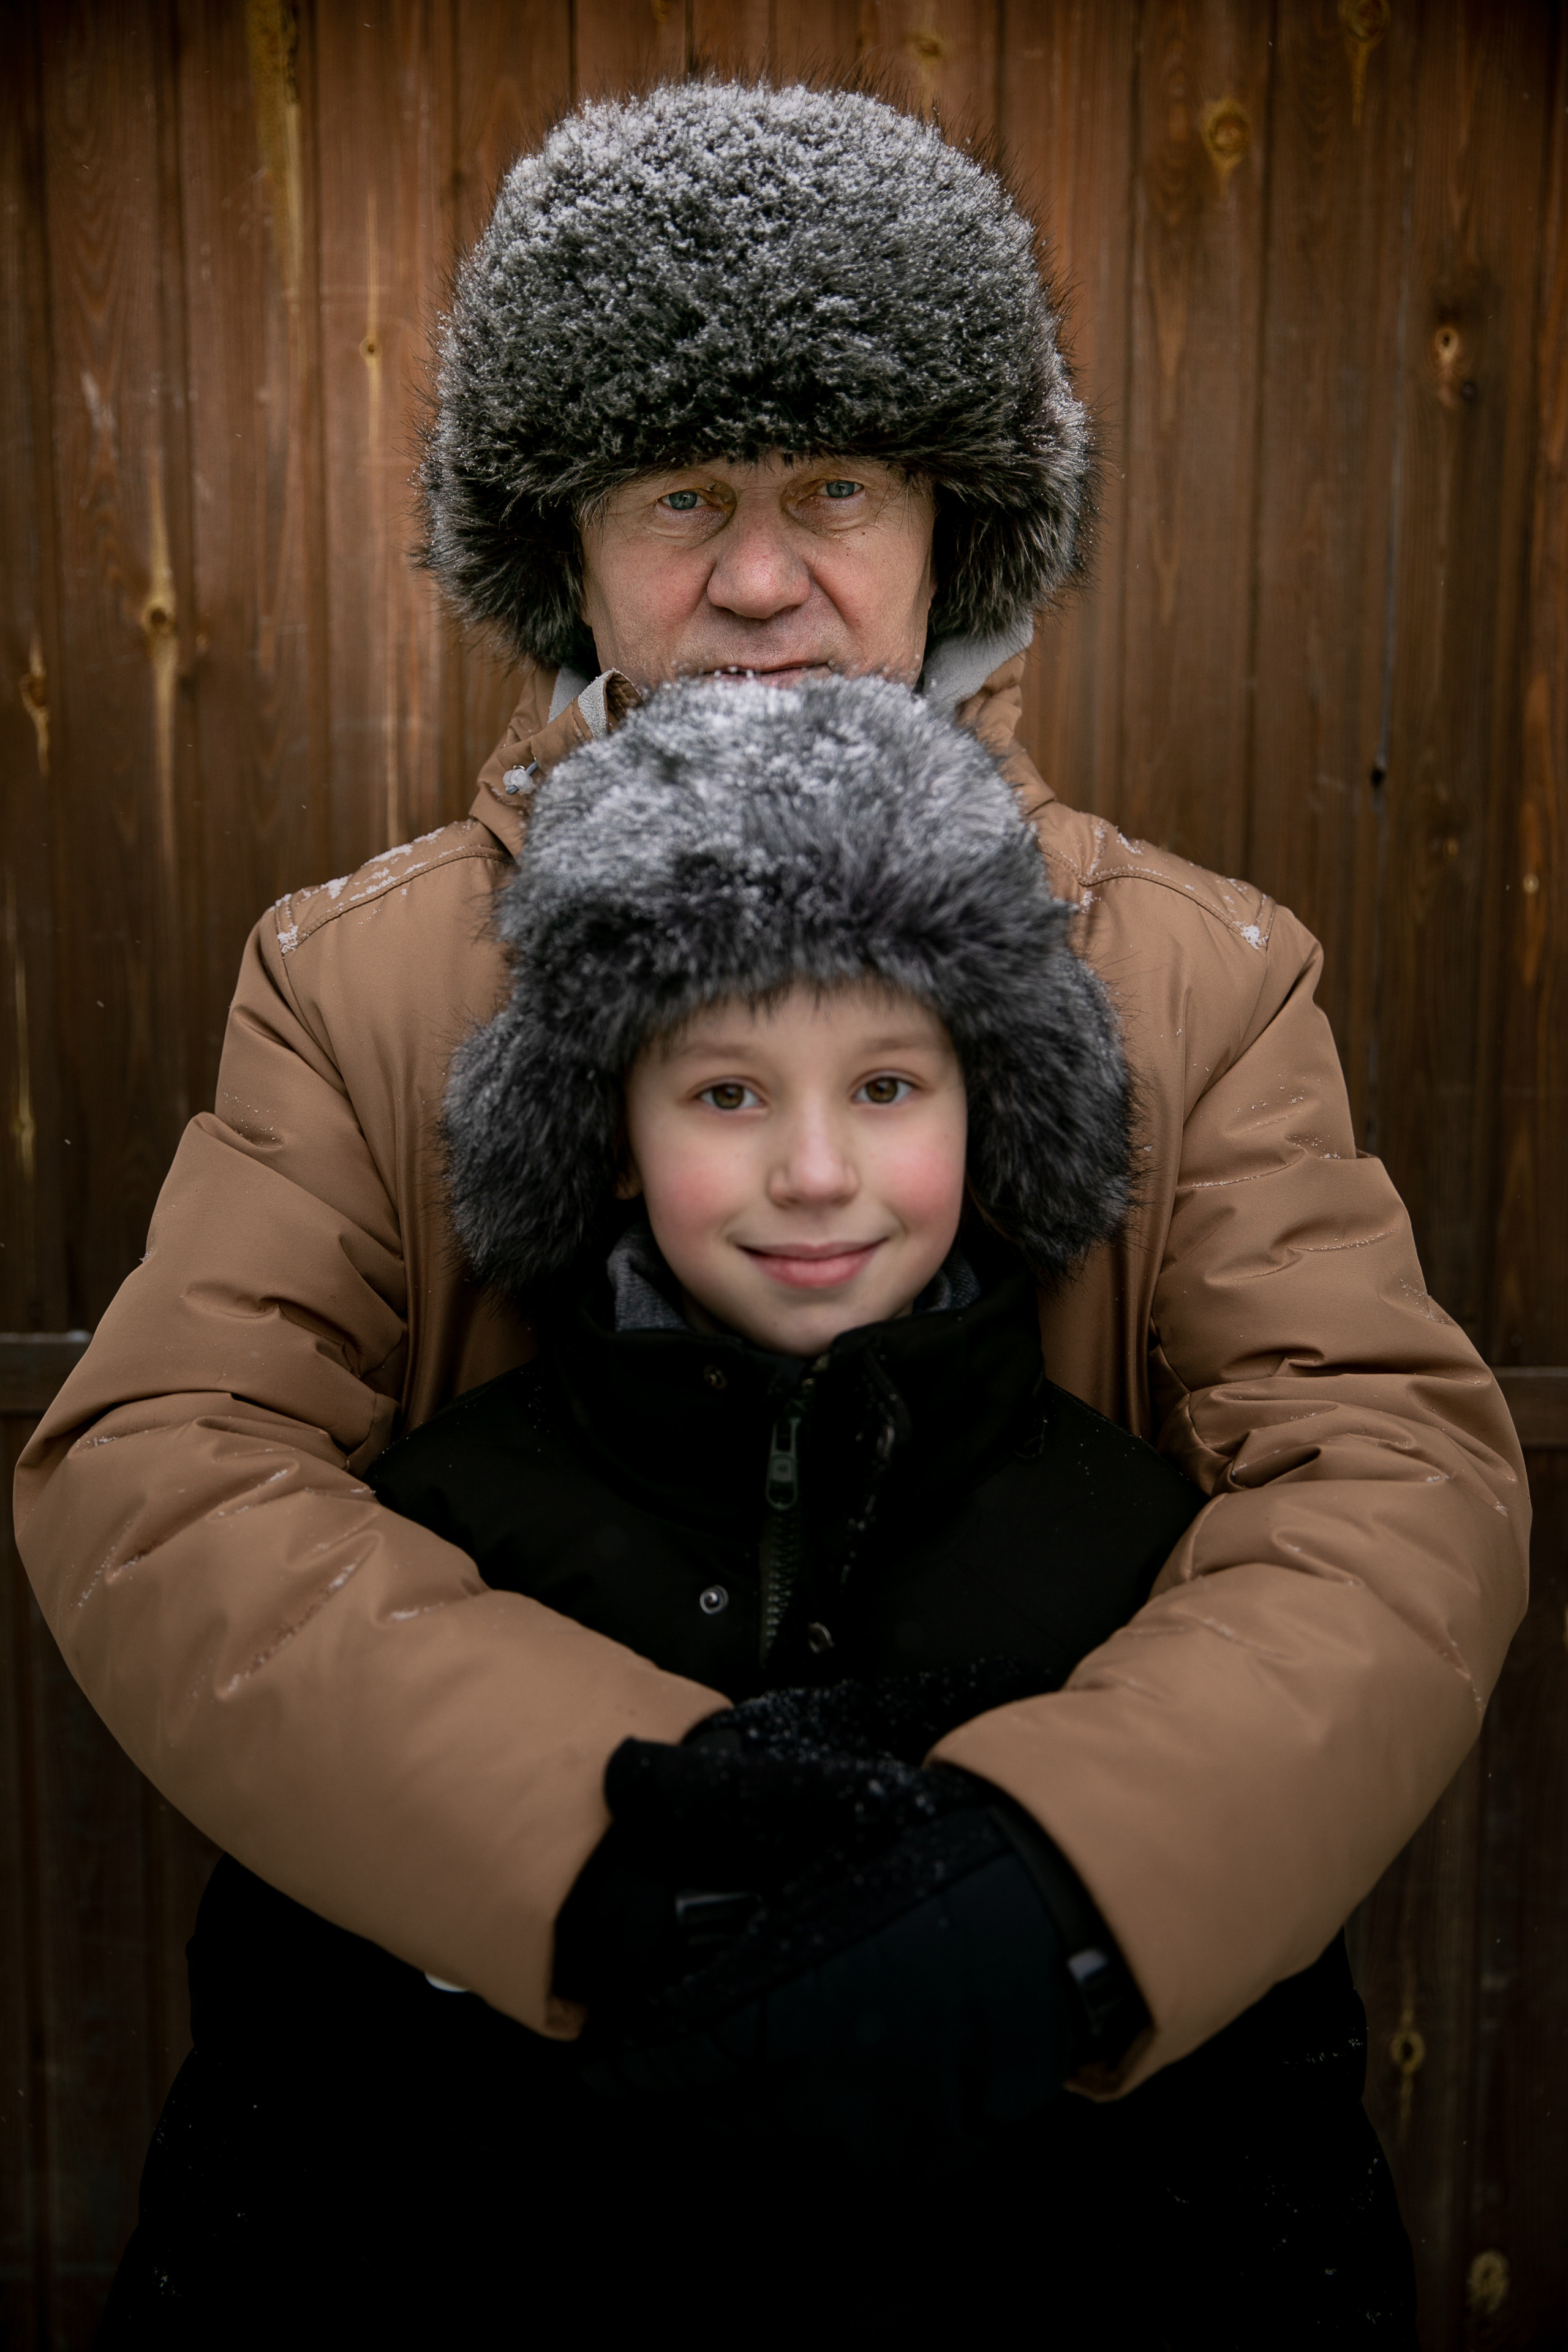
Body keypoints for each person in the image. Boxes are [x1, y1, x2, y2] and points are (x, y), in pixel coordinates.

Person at [15, 72, 1521, 2333]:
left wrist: (1065, 1879)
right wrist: (598, 1841)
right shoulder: (366, 982)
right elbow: (165, 1471)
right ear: (569, 536)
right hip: (478, 2155)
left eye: (833, 486)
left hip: (1060, 2147)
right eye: (678, 490)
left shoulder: (1196, 978)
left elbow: (1386, 1473)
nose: (753, 574)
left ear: (952, 528)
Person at [105, 675, 1413, 2342]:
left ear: (993, 1109)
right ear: (611, 1135)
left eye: (887, 1089)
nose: (814, 1173)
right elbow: (286, 2168)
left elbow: (1269, 2198)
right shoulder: (442, 1527)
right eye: (727, 1094)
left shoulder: (1136, 1558)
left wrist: (1061, 1912)